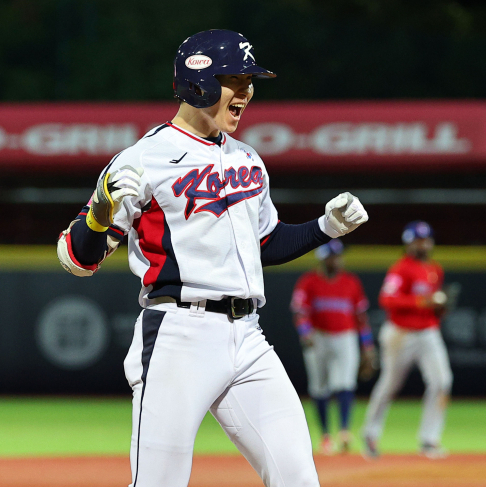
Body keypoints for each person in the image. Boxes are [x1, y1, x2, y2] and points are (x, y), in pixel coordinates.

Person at [56, 29, 369, 487]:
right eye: (236, 79)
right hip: (177, 336)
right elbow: (74, 257)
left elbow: (266, 244)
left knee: (299, 480)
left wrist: (326, 228)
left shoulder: (247, 159)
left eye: (250, 81)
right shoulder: (142, 159)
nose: (247, 91)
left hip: (248, 337)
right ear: (197, 80)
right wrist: (99, 218)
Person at [361, 221, 453, 460]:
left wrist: (439, 307)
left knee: (442, 382)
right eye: (418, 240)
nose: (423, 244)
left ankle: (429, 439)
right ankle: (370, 433)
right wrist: (423, 301)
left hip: (428, 333)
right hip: (400, 334)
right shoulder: (401, 269)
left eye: (426, 239)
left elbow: (433, 306)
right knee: (390, 385)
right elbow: (387, 299)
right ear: (409, 243)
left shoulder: (435, 269)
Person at [290, 239, 377, 455]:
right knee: (319, 387)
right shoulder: (308, 281)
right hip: (318, 337)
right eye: (332, 256)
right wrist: (305, 331)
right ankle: (326, 436)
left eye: (338, 256)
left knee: (346, 382)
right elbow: (300, 312)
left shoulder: (351, 282)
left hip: (345, 337)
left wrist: (367, 346)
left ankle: (345, 431)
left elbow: (361, 317)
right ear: (322, 258)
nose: (337, 260)